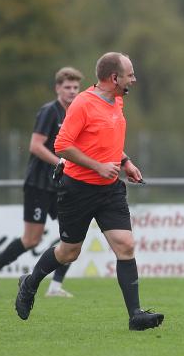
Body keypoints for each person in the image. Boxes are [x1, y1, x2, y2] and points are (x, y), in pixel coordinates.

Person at [14, 52, 164, 331]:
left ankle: (136, 316)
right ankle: (30, 282)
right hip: (77, 190)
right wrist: (97, 166)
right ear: (114, 77)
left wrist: (125, 162)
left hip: (110, 190)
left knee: (126, 244)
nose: (134, 78)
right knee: (69, 252)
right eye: (130, 74)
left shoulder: (118, 100)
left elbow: (106, 141)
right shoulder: (83, 103)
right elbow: (62, 145)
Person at [0, 67, 83, 297]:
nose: (72, 92)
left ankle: (55, 287)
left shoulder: (76, 112)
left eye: (76, 87)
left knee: (73, 233)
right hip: (39, 184)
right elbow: (35, 146)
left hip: (61, 185)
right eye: (67, 87)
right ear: (57, 88)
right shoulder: (49, 111)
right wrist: (60, 162)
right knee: (31, 239)